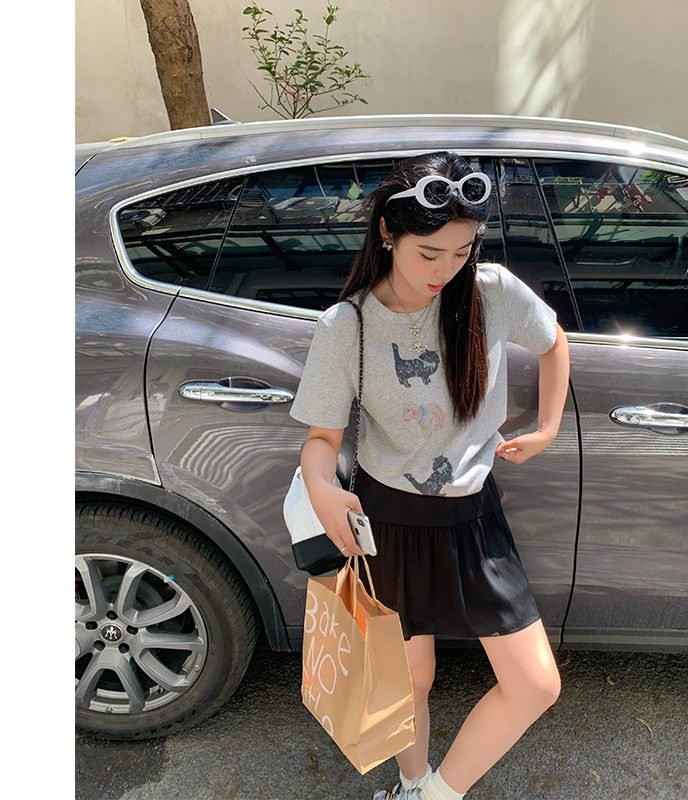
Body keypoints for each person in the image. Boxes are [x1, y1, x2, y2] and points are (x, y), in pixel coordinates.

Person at [290, 151, 570, 800]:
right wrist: (322, 489)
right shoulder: (348, 325)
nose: (446, 270)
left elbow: (553, 339)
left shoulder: (491, 291)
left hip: (473, 516)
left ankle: (440, 795)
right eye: (430, 253)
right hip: (387, 521)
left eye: (462, 252)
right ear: (388, 233)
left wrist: (548, 427)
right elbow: (320, 441)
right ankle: (410, 785)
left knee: (535, 683)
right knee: (410, 677)